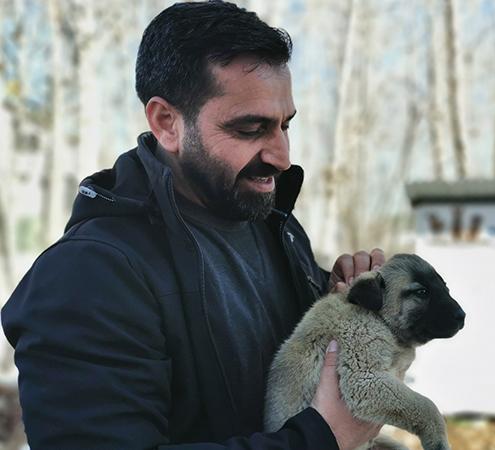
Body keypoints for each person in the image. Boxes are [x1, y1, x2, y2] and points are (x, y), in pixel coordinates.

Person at [1, 2, 385, 448]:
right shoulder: (87, 276)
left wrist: (340, 304)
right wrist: (320, 440)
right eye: (250, 128)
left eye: (284, 125)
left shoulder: (268, 221)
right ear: (167, 123)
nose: (281, 156)